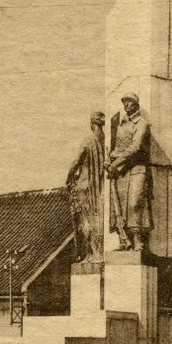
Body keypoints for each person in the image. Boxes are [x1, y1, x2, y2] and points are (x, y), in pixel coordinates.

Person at [106, 93, 153, 252]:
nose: (126, 105)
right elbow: (118, 148)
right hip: (122, 171)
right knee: (119, 205)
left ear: (136, 104)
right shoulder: (121, 125)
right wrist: (111, 159)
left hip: (137, 168)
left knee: (135, 203)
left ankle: (138, 239)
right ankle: (123, 239)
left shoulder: (142, 123)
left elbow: (136, 147)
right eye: (124, 102)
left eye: (129, 102)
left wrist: (115, 163)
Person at [66, 112, 106, 261]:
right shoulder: (105, 141)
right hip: (100, 187)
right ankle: (97, 252)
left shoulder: (88, 140)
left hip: (85, 185)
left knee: (85, 220)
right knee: (97, 218)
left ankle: (92, 253)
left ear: (91, 124)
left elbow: (77, 161)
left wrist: (68, 178)